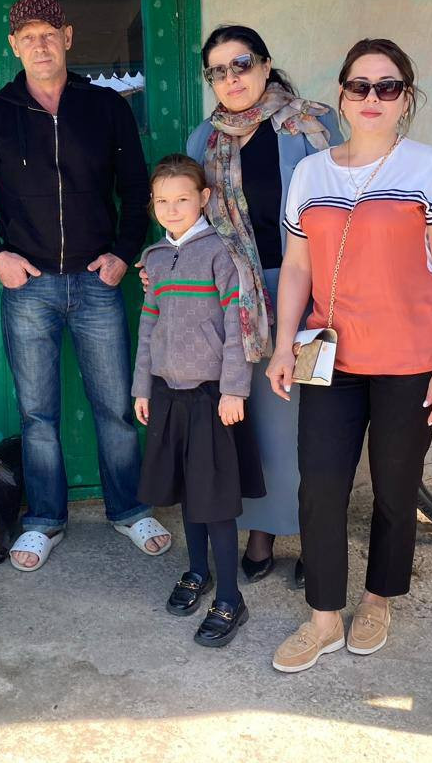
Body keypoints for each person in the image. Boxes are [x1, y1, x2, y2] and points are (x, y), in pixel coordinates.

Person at [268, 38, 432, 671]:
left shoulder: (431, 168)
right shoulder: (312, 173)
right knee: (320, 487)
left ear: (406, 97)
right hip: (328, 357)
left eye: (388, 86)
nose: (372, 98)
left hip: (409, 360)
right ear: (341, 94)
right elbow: (297, 267)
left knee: (394, 487)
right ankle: (324, 617)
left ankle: (379, 597)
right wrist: (282, 345)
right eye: (360, 86)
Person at [0, 0, 171, 572]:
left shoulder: (105, 108)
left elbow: (135, 193)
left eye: (49, 34)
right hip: (29, 287)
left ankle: (129, 509)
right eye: (28, 37)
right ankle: (45, 519)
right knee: (38, 414)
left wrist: (123, 254)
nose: (40, 45)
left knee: (115, 407)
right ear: (14, 46)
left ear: (68, 37)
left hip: (98, 283)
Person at [184, 26, 343, 587]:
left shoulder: (313, 124)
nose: (232, 78)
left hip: (315, 291)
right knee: (259, 420)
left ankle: (316, 534)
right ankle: (262, 532)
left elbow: (346, 205)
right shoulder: (204, 139)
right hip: (241, 301)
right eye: (218, 71)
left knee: (316, 420)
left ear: (267, 64)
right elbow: (192, 221)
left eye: (242, 63)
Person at [132, 154, 263, 647]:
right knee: (188, 491)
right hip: (168, 394)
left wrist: (234, 389)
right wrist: (141, 386)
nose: (172, 209)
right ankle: (196, 572)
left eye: (182, 199)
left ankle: (230, 597)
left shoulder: (220, 254)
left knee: (215, 500)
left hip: (212, 397)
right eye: (162, 201)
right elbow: (148, 325)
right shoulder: (154, 259)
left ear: (204, 199)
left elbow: (237, 325)